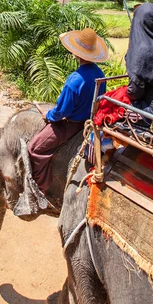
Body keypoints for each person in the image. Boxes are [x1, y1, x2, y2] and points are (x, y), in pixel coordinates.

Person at [28, 28, 108, 193]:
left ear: (76, 53)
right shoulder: (100, 74)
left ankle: (39, 188)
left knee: (35, 148)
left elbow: (61, 112)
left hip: (71, 125)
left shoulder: (75, 79)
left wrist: (48, 114)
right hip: (89, 123)